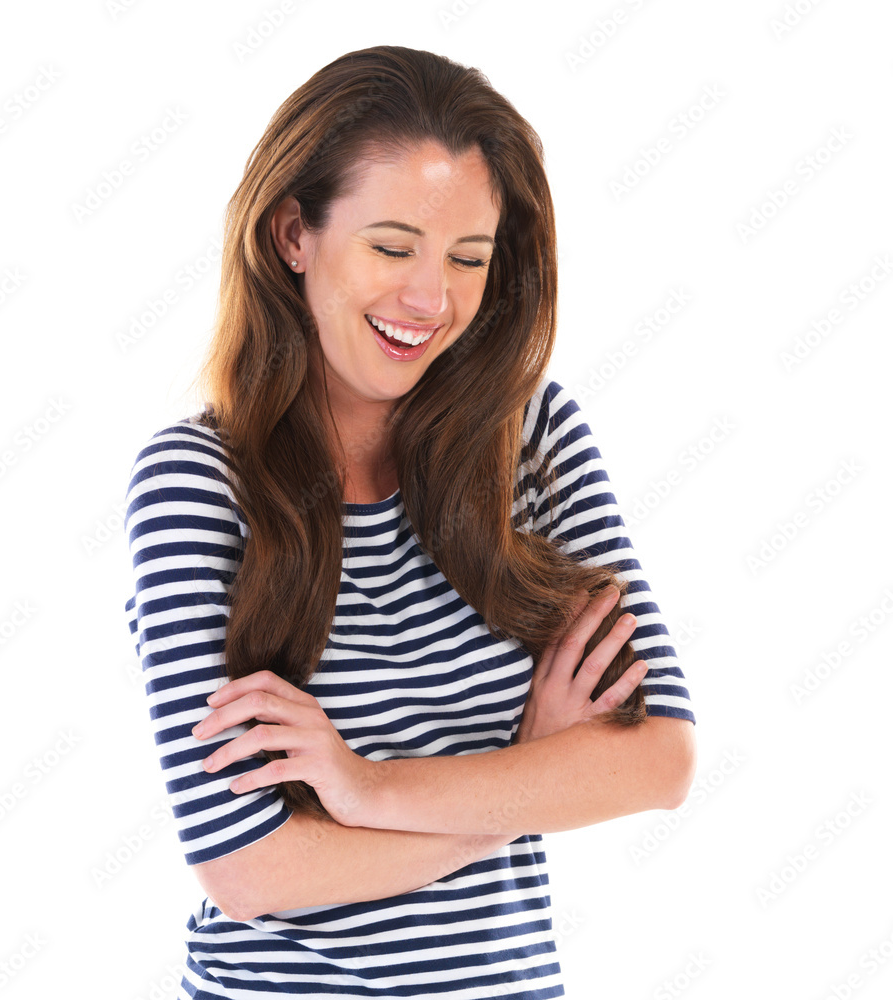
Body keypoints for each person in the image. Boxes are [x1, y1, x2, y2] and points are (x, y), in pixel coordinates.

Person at [123, 44, 697, 1000]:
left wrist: (366, 792)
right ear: (292, 235)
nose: (430, 301)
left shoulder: (534, 438)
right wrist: (528, 774)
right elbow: (251, 873)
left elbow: (659, 757)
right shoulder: (198, 480)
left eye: (468, 259)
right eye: (392, 248)